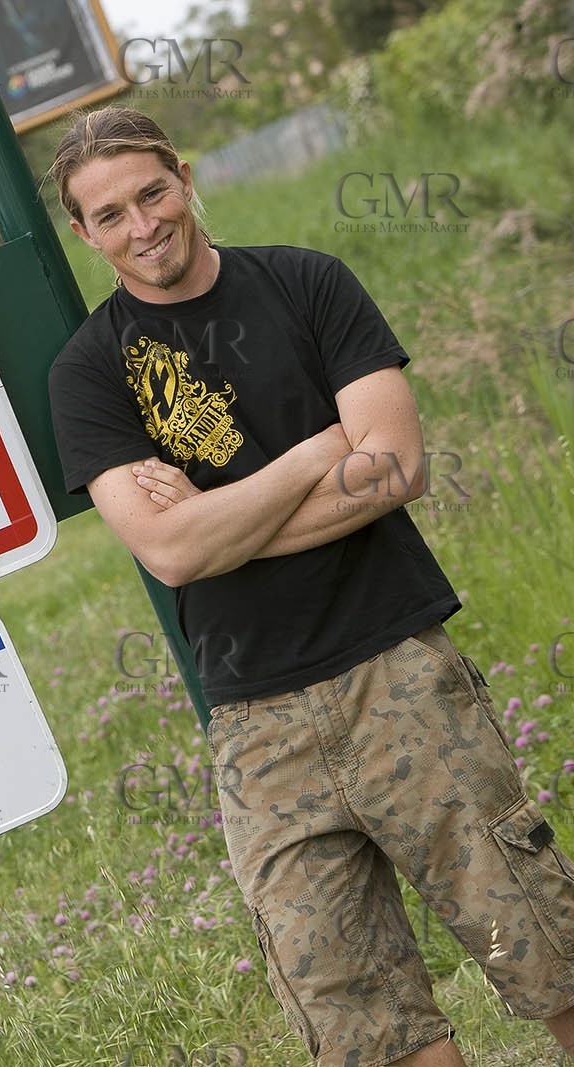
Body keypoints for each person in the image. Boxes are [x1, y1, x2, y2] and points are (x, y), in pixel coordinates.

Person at [44, 105, 574, 1067]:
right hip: (257, 724)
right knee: (362, 1021)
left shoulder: (306, 282)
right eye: (111, 214)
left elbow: (395, 466)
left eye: (153, 193)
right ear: (84, 233)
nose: (143, 226)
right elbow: (169, 554)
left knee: (543, 944)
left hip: (396, 669)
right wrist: (312, 456)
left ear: (185, 178)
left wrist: (218, 521)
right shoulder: (88, 373)